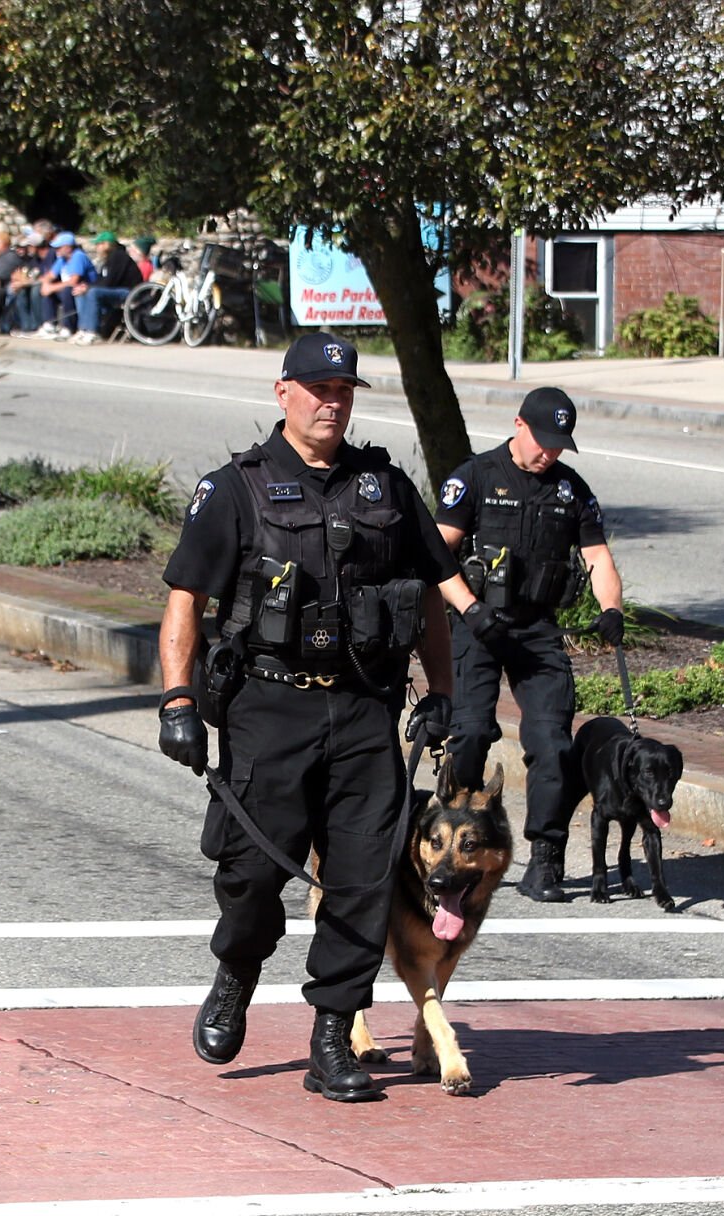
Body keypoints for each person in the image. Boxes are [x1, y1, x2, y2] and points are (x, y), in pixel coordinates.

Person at [157, 332, 460, 1102]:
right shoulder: (235, 488)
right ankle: (236, 974)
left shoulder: (384, 487)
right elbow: (186, 600)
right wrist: (178, 700)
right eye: (318, 388)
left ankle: (332, 1040)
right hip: (269, 706)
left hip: (364, 709)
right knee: (253, 874)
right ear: (282, 392)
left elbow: (428, 592)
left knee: (361, 881)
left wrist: (442, 693)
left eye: (344, 390)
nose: (332, 401)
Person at [434, 386, 625, 903]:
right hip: (477, 624)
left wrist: (612, 609)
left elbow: (598, 558)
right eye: (543, 440)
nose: (549, 452)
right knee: (470, 732)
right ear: (519, 426)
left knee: (552, 743)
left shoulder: (570, 491)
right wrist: (470, 607)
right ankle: (455, 840)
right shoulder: (474, 477)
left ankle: (546, 860)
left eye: (559, 444)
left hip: (536, 628)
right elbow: (437, 555)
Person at [75, 230, 143, 343]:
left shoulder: (119, 256)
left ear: (106, 244)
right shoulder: (108, 260)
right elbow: (102, 280)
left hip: (129, 292)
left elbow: (110, 282)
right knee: (81, 292)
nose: (96, 247)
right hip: (115, 290)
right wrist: (86, 287)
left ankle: (93, 332)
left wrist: (90, 288)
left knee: (93, 292)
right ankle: (83, 329)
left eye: (98, 244)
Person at [34, 231, 92, 340]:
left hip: (83, 291)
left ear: (68, 247)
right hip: (70, 290)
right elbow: (50, 275)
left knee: (66, 290)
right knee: (49, 291)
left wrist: (51, 287)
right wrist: (46, 284)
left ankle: (68, 328)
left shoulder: (78, 256)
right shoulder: (62, 259)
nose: (56, 250)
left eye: (59, 248)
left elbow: (73, 281)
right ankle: (49, 325)